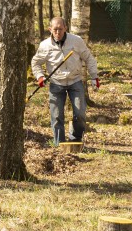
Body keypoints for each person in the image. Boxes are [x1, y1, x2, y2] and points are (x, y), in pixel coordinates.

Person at [32, 17, 99, 146]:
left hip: (75, 80)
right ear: (50, 29)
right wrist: (40, 76)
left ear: (65, 28)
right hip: (56, 83)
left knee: (80, 113)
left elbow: (89, 58)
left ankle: (75, 141)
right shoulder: (45, 45)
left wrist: (94, 76)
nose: (58, 32)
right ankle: (59, 145)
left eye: (60, 29)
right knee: (56, 116)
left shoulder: (76, 41)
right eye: (55, 29)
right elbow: (36, 63)